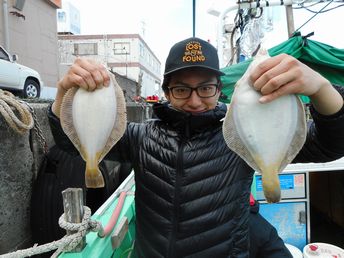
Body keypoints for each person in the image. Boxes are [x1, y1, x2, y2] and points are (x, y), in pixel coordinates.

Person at [48, 37, 344, 257]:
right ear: (165, 92)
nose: (194, 101)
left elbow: (329, 145)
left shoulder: (239, 136)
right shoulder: (140, 137)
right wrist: (63, 93)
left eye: (205, 88)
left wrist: (320, 88)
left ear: (220, 89)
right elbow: (68, 143)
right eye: (180, 89)